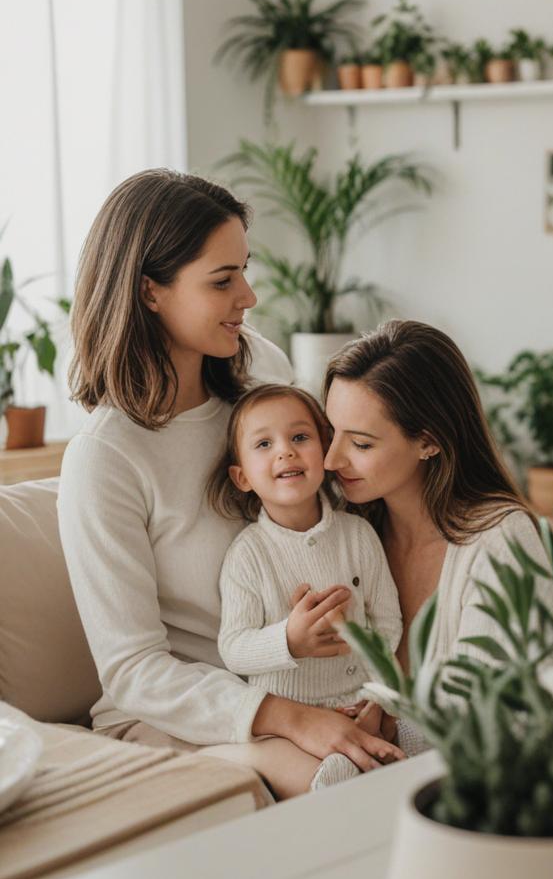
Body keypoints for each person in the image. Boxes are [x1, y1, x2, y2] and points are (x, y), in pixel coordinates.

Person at [58, 169, 403, 801]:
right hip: (189, 716)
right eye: (222, 280)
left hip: (314, 684)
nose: (247, 296)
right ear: (149, 292)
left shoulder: (261, 370)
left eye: (243, 269)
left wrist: (366, 689)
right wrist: (290, 720)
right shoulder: (106, 459)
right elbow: (133, 670)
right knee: (351, 786)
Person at [322, 319, 547, 748]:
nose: (332, 459)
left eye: (361, 444)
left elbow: (493, 713)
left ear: (428, 441)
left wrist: (390, 725)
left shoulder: (502, 542)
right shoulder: (342, 530)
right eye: (331, 432)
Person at [210, 382, 403, 790]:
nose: (285, 451)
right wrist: (289, 640)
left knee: (422, 740)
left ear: (325, 451)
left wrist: (379, 699)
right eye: (264, 444)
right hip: (292, 724)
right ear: (242, 476)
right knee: (339, 774)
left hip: (359, 701)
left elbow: (386, 624)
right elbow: (233, 647)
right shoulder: (248, 555)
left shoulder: (358, 535)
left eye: (300, 437)